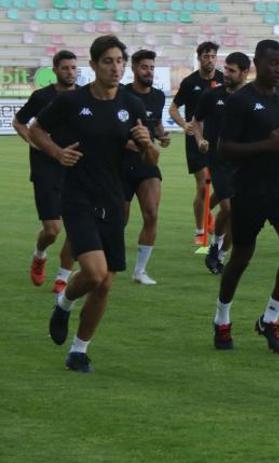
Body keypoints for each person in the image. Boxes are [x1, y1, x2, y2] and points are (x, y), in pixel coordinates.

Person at [34, 35, 158, 372]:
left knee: (103, 284)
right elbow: (36, 129)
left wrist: (148, 145)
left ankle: (78, 350)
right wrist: (57, 153)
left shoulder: (131, 105)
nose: (115, 67)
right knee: (94, 271)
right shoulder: (72, 102)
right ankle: (64, 302)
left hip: (113, 199)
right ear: (93, 65)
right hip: (77, 197)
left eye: (119, 61)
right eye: (108, 61)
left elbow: (149, 157)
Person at [211, 40, 279, 353]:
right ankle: (222, 318)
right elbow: (224, 148)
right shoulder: (240, 100)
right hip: (249, 190)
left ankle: (270, 318)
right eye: (273, 64)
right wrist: (267, 145)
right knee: (240, 258)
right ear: (257, 64)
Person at [13, 50, 78, 294]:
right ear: (55, 70)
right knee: (52, 230)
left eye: (73, 68)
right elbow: (19, 122)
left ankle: (62, 278)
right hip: (45, 168)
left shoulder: (84, 96)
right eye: (65, 68)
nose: (70, 72)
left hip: (75, 168)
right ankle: (40, 254)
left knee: (76, 226)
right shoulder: (42, 97)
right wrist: (31, 141)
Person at [193, 52, 251, 274]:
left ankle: (220, 253)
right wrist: (200, 139)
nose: (225, 73)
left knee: (238, 215)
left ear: (245, 72)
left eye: (231, 70)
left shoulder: (252, 97)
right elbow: (196, 122)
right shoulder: (211, 95)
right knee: (228, 207)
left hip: (245, 164)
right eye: (225, 69)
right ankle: (215, 244)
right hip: (219, 161)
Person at [122, 49, 171, 286]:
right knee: (118, 219)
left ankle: (140, 271)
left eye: (151, 67)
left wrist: (162, 136)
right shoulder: (121, 94)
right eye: (144, 67)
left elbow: (157, 122)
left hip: (147, 161)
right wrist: (127, 142)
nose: (148, 71)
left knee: (151, 214)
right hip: (119, 164)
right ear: (133, 69)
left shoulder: (159, 96)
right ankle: (106, 260)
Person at [170, 41, 223, 244]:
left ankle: (205, 211)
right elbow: (173, 109)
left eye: (213, 56)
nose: (210, 60)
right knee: (203, 186)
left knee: (221, 185)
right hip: (195, 140)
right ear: (199, 57)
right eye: (206, 56)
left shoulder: (222, 79)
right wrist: (185, 125)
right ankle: (200, 232)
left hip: (218, 139)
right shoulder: (190, 82)